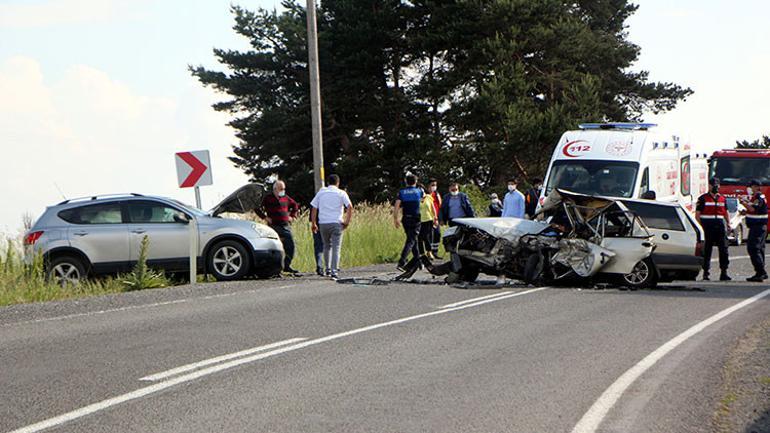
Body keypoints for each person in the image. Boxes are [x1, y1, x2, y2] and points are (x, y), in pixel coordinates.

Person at [310, 174, 353, 280]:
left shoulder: (321, 192)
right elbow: (350, 206)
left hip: (323, 223)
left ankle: (327, 269)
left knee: (326, 246)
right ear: (338, 183)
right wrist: (346, 221)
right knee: (336, 247)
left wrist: (314, 223)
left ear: (328, 182)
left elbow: (314, 207)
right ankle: (334, 271)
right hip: (336, 222)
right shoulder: (341, 193)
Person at [257, 180, 300, 275]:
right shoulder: (268, 198)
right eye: (281, 189)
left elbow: (295, 205)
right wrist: (265, 217)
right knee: (275, 248)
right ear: (275, 189)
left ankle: (286, 266)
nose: (283, 191)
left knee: (290, 245)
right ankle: (275, 269)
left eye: (284, 189)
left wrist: (292, 216)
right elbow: (257, 208)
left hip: (285, 225)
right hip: (274, 226)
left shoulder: (285, 198)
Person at [695, 178, 731, 281]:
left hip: (720, 226)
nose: (716, 187)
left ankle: (724, 272)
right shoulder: (703, 198)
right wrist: (700, 227)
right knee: (707, 250)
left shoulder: (722, 199)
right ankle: (706, 273)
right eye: (713, 185)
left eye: (717, 185)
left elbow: (725, 212)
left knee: (724, 249)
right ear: (709, 186)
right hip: (707, 227)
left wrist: (728, 224)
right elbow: (698, 214)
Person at [394, 174, 423, 271]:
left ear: (406, 181)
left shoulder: (401, 192)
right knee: (411, 240)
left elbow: (397, 206)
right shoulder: (419, 191)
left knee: (413, 239)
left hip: (405, 218)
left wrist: (396, 219)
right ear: (415, 181)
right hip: (416, 218)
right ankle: (402, 261)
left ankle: (418, 261)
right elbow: (423, 199)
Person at [741, 180, 768, 281]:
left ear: (755, 187)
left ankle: (761, 272)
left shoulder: (759, 197)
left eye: (751, 187)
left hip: (758, 227)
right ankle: (760, 272)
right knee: (759, 249)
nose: (750, 189)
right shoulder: (755, 197)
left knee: (753, 248)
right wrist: (745, 211)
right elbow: (753, 210)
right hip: (757, 227)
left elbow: (753, 209)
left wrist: (743, 203)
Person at [418, 184, 438, 258]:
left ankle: (429, 252)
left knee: (426, 236)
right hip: (419, 221)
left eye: (420, 188)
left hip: (428, 219)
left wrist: (435, 217)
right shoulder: (416, 199)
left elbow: (433, 208)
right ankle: (422, 253)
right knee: (419, 238)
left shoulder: (428, 197)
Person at [428, 179, 443, 257]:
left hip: (436, 217)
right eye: (433, 185)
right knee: (430, 235)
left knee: (437, 234)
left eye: (435, 185)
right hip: (428, 217)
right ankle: (429, 252)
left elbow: (440, 205)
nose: (434, 187)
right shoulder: (426, 194)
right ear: (429, 185)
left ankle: (435, 251)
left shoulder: (436, 194)